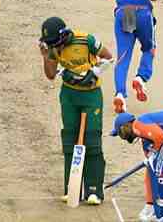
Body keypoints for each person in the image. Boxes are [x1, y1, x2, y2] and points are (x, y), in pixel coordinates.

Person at [39, 17, 114, 206]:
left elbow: (109, 57)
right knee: (69, 139)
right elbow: (50, 75)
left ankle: (94, 190)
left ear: (64, 35)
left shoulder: (86, 40)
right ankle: (71, 188)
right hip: (69, 96)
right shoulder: (52, 47)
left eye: (56, 42)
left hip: (91, 96)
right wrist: (45, 56)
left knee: (92, 139)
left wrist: (94, 72)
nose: (55, 46)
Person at [105, 0, 158, 114]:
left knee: (123, 57)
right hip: (142, 11)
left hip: (123, 12)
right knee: (149, 48)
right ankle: (141, 78)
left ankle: (120, 93)